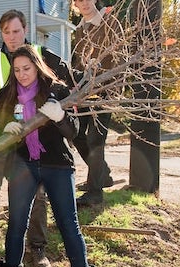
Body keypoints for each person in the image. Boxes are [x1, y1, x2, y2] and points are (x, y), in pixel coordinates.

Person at [0, 45, 98, 267]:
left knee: (68, 224)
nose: (22, 74)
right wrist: (6, 131)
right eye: (16, 70)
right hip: (23, 165)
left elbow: (74, 132)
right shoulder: (6, 94)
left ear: (37, 65)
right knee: (17, 223)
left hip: (56, 164)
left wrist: (61, 116)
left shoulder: (57, 91)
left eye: (26, 68)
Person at [0, 9, 73, 267]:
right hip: (1, 138)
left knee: (37, 195)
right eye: (6, 32)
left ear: (26, 31)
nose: (11, 37)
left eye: (16, 31)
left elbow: (65, 86)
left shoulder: (45, 57)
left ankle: (37, 247)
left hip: (34, 139)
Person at [71, 0, 124, 206]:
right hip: (85, 93)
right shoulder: (79, 29)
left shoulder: (110, 23)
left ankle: (95, 193)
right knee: (76, 133)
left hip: (106, 91)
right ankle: (103, 175)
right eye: (78, 0)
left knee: (95, 139)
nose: (83, 3)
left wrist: (102, 73)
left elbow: (120, 58)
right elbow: (78, 61)